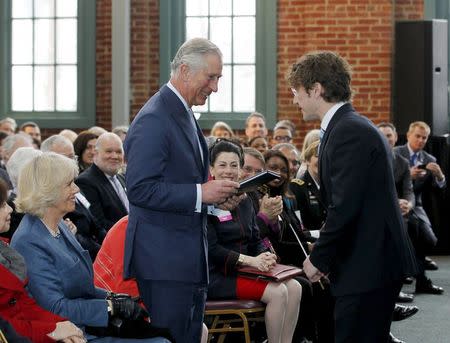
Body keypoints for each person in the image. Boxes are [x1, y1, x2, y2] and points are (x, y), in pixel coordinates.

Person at [288, 51, 417, 342]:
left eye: (297, 92)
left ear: (316, 89)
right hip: (366, 262)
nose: (295, 100)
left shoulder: (348, 131)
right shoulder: (348, 126)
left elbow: (345, 207)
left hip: (369, 265)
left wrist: (319, 259)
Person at [124, 38, 240, 343]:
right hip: (165, 262)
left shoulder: (182, 111)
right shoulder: (154, 118)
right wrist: (203, 194)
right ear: (185, 70)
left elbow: (187, 180)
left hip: (186, 258)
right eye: (211, 77)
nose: (215, 87)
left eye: (218, 78)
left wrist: (217, 201)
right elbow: (139, 189)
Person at [11, 153, 168, 343]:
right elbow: (54, 307)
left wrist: (115, 298)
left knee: (166, 333)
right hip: (69, 335)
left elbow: (82, 288)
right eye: (69, 184)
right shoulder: (29, 240)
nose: (76, 189)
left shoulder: (58, 225)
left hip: (87, 326)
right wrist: (111, 307)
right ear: (48, 190)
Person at [207, 139, 301, 343]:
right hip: (217, 275)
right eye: (222, 165)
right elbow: (212, 250)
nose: (229, 171)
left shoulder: (246, 199)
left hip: (245, 270)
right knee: (278, 293)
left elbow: (255, 237)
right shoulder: (206, 200)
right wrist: (251, 261)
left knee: (295, 287)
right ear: (211, 168)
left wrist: (265, 254)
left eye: (234, 165)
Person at [0, 179, 86, 343]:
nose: (10, 209)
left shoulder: (5, 250)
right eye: (3, 205)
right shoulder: (28, 238)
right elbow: (6, 328)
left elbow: (25, 304)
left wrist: (61, 324)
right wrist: (53, 330)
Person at [394, 121, 445, 294]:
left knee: (430, 239)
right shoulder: (396, 153)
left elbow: (439, 189)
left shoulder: (430, 160)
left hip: (417, 206)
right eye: (417, 136)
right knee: (410, 233)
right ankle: (417, 275)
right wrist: (409, 173)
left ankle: (413, 267)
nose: (421, 140)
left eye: (424, 138)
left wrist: (439, 176)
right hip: (396, 203)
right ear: (408, 135)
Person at [42, 135, 106, 259]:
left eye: (73, 157)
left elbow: (96, 225)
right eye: (65, 158)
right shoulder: (51, 198)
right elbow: (76, 236)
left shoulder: (75, 186)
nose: (71, 162)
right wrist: (104, 253)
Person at [76, 133, 128, 232]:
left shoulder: (123, 178)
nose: (114, 156)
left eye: (118, 152)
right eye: (109, 151)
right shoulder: (86, 181)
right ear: (96, 153)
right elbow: (98, 223)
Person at [290, 140, 327, 232]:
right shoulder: (298, 186)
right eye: (317, 156)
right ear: (307, 160)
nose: (322, 160)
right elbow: (300, 224)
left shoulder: (332, 185)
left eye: (325, 156)